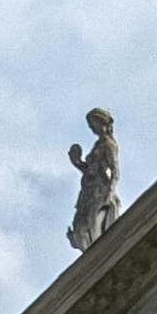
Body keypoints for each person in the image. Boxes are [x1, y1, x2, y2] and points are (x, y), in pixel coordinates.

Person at [67, 108, 120, 251]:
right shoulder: (98, 145)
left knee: (92, 223)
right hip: (89, 191)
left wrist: (110, 191)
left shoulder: (109, 145)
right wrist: (77, 162)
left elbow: (115, 171)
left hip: (100, 190)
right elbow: (91, 170)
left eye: (94, 125)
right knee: (81, 225)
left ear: (102, 123)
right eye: (91, 126)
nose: (93, 129)